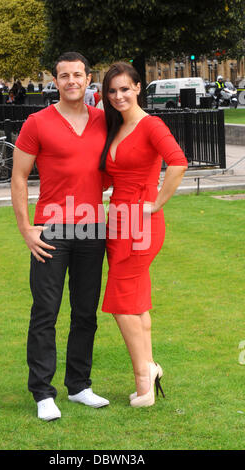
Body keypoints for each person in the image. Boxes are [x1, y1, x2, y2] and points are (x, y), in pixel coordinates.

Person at [11, 51, 109, 422]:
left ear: (88, 79)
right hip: (51, 229)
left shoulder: (104, 120)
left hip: (91, 227)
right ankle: (43, 392)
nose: (71, 81)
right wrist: (26, 228)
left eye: (78, 75)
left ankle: (80, 386)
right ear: (55, 81)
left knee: (86, 312)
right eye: (64, 76)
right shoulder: (37, 122)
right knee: (46, 311)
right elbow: (19, 177)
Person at [100, 62, 188, 408]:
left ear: (138, 88)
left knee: (122, 302)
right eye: (112, 90)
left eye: (125, 88)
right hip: (117, 222)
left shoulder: (152, 124)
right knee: (134, 299)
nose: (118, 95)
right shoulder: (116, 127)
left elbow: (178, 162)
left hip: (141, 223)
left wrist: (155, 203)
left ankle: (144, 379)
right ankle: (148, 370)